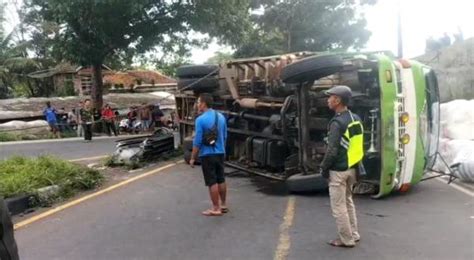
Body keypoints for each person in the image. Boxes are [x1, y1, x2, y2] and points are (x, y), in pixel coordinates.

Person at [320, 85, 364, 248]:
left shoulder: (337, 123)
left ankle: (346, 239)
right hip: (352, 167)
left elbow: (331, 151)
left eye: (330, 97)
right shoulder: (356, 118)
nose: (328, 100)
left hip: (338, 170)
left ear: (337, 100)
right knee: (348, 201)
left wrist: (324, 168)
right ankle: (354, 233)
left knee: (339, 207)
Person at [190, 93, 228, 217]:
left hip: (207, 154)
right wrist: (222, 148)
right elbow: (225, 136)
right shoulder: (221, 117)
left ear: (203, 103)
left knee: (212, 182)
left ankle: (215, 208)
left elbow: (197, 141)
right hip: (220, 152)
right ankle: (223, 205)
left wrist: (192, 157)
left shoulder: (200, 119)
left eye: (198, 102)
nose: (197, 105)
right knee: (221, 178)